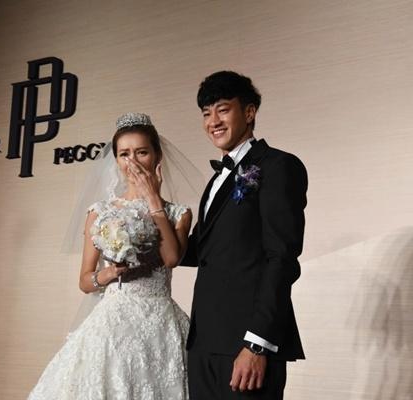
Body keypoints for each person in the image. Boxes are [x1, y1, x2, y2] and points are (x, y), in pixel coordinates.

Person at [28, 113, 195, 400]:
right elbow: (85, 281)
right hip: (114, 321)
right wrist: (107, 274)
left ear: (157, 156)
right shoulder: (101, 212)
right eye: (124, 154)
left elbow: (171, 259)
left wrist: (153, 200)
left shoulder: (178, 213)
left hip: (162, 323)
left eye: (141, 152)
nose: (132, 162)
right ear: (115, 160)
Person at [181, 71, 308, 399]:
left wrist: (257, 344)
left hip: (246, 344)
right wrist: (153, 208)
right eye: (206, 114)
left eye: (223, 109)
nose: (213, 121)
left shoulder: (278, 166)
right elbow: (198, 252)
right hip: (204, 344)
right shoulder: (216, 180)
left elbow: (281, 258)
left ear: (249, 112)